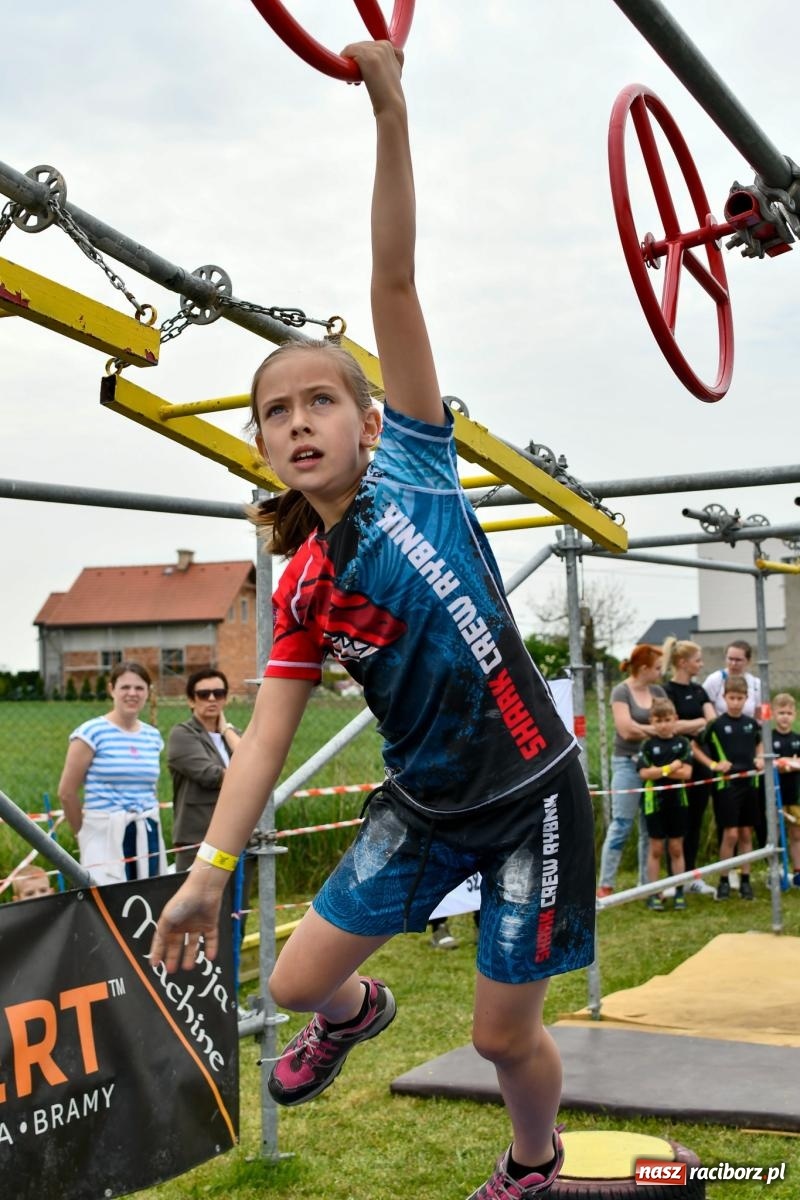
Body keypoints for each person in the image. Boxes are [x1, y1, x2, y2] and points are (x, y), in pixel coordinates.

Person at [150, 41, 595, 1200]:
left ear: (363, 417)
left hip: (529, 798)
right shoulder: (296, 587)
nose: (297, 423)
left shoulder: (420, 472)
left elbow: (392, 280)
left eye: (318, 401)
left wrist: (389, 110)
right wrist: (206, 870)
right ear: (262, 446)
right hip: (424, 808)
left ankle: (533, 1161)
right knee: (297, 986)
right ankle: (362, 1018)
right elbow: (263, 741)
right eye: (273, 414)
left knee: (502, 1039)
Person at [58, 661, 166, 885]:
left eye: (139, 688)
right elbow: (66, 793)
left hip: (147, 831)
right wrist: (84, 834)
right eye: (125, 687)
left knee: (147, 898)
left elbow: (150, 788)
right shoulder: (90, 733)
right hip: (104, 834)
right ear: (112, 690)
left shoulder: (152, 736)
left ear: (147, 692)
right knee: (109, 903)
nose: (132, 694)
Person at [596, 644, 666, 898]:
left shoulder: (658, 691)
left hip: (653, 765)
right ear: (644, 668)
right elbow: (626, 730)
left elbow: (671, 721)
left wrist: (646, 728)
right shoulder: (621, 691)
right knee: (622, 824)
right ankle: (606, 884)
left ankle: (646, 883)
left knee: (650, 827)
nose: (661, 672)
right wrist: (657, 730)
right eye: (657, 668)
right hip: (626, 762)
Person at [692, 676, 763, 901]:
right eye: (731, 698)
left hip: (749, 784)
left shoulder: (751, 724)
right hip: (726, 786)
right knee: (730, 834)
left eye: (740, 698)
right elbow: (694, 746)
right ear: (724, 698)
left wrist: (760, 758)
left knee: (745, 833)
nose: (735, 702)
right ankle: (724, 879)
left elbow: (759, 742)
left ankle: (745, 880)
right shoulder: (716, 725)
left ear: (746, 699)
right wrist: (714, 765)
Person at [167, 668, 242, 872]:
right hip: (198, 839)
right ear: (191, 700)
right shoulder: (182, 734)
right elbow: (212, 776)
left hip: (237, 835)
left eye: (218, 693)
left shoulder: (231, 735)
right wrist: (250, 777)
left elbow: (256, 760)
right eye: (203, 694)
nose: (212, 698)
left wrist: (226, 729)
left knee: (238, 902)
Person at [662, 637, 717, 895]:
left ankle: (693, 874)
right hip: (678, 761)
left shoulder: (699, 690)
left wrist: (689, 724)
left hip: (702, 762)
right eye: (697, 660)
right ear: (683, 662)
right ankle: (674, 879)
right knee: (677, 822)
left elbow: (712, 720)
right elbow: (671, 725)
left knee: (695, 820)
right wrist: (696, 723)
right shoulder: (667, 690)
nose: (701, 664)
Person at [635, 699, 692, 911]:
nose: (663, 725)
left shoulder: (683, 743)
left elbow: (686, 773)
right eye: (658, 721)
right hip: (653, 803)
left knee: (676, 848)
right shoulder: (648, 745)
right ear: (652, 721)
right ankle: (654, 892)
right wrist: (671, 767)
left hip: (678, 801)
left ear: (675, 719)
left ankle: (678, 891)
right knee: (656, 848)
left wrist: (659, 770)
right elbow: (644, 773)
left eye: (667, 720)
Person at [770, 693, 800, 887]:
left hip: (795, 793)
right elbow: (768, 761)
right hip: (775, 793)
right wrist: (786, 763)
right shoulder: (769, 738)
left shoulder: (797, 739)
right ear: (773, 714)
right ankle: (776, 871)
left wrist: (791, 763)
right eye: (781, 712)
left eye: (789, 713)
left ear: (795, 715)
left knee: (796, 833)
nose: (785, 717)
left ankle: (797, 871)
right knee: (775, 833)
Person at [702, 640, 762, 717]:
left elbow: (760, 716)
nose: (733, 663)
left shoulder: (756, 684)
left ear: (748, 661)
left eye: (738, 660)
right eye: (730, 659)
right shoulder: (715, 680)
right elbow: (705, 708)